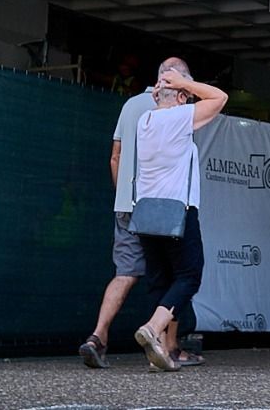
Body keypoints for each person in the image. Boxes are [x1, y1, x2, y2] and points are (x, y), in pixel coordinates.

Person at [79, 57, 203, 369]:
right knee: (180, 272)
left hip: (130, 205)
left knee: (126, 274)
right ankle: (168, 344)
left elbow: (115, 155)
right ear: (179, 85)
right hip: (165, 205)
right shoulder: (178, 112)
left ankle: (98, 335)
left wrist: (122, 192)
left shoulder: (134, 107)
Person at [132, 66, 227, 371]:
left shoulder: (144, 121)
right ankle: (152, 327)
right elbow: (220, 97)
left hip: (146, 211)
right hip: (177, 210)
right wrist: (187, 83)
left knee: (160, 279)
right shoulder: (178, 117)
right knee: (189, 274)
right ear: (183, 97)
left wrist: (172, 86)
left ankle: (157, 347)